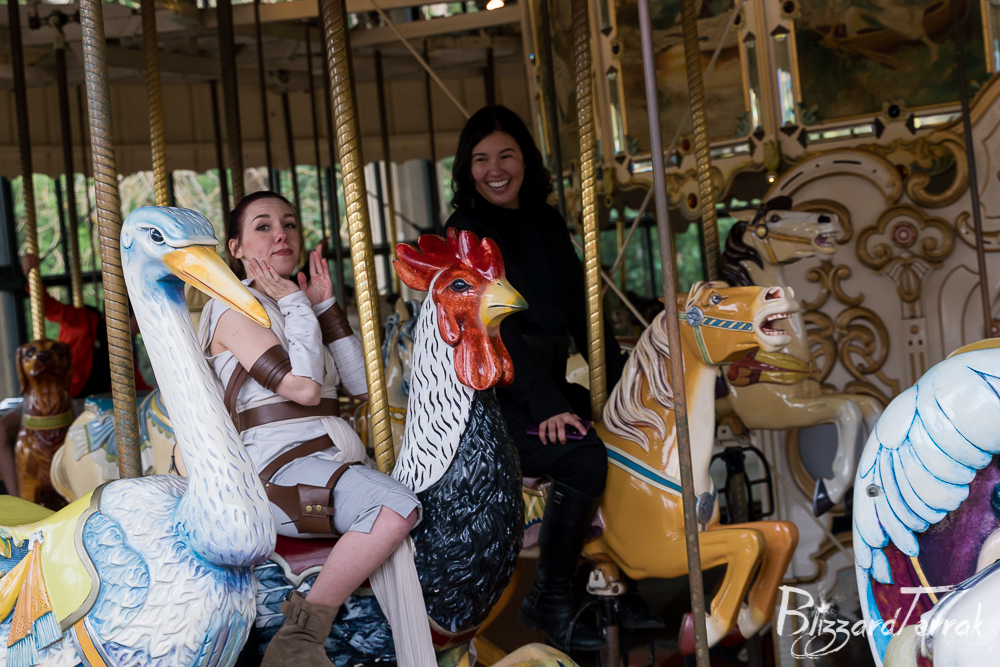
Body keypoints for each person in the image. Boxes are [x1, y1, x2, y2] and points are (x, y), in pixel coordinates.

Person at [445, 106, 664, 651]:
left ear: (526, 161)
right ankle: (551, 595)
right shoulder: (467, 233)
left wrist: (625, 389)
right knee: (580, 456)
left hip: (544, 384)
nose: (495, 170)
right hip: (495, 396)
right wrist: (544, 404)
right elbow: (494, 328)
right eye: (481, 159)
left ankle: (617, 572)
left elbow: (584, 312)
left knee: (627, 437)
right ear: (467, 168)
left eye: (506, 155)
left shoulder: (544, 222)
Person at [199, 191, 433, 667]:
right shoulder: (234, 309)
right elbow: (304, 389)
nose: (280, 234)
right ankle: (300, 638)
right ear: (235, 248)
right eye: (263, 226)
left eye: (288, 224)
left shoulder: (293, 306)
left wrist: (324, 308)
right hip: (277, 475)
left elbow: (363, 385)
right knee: (394, 510)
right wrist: (296, 305)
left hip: (326, 461)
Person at [0, 254, 151, 496]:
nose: (141, 329)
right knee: (2, 429)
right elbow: (49, 308)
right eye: (139, 320)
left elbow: (135, 384)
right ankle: (15, 497)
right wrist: (30, 276)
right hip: (56, 401)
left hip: (86, 408)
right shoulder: (83, 321)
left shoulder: (123, 348)